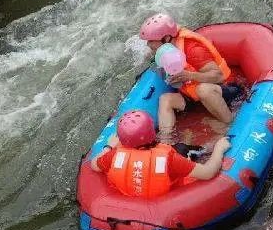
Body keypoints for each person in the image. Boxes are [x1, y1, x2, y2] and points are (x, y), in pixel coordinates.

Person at [90, 110, 231, 198]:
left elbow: (94, 165)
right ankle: (191, 140)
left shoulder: (114, 155)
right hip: (168, 195)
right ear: (152, 133)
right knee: (185, 149)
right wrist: (219, 149)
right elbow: (208, 173)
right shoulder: (169, 160)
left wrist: (108, 146)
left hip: (130, 197)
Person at [139, 13, 238, 136]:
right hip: (194, 94)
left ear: (166, 38)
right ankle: (166, 141)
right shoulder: (166, 50)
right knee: (165, 99)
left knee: (203, 90)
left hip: (222, 90)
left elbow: (219, 76)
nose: (148, 45)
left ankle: (230, 124)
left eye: (151, 41)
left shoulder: (192, 50)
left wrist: (190, 76)